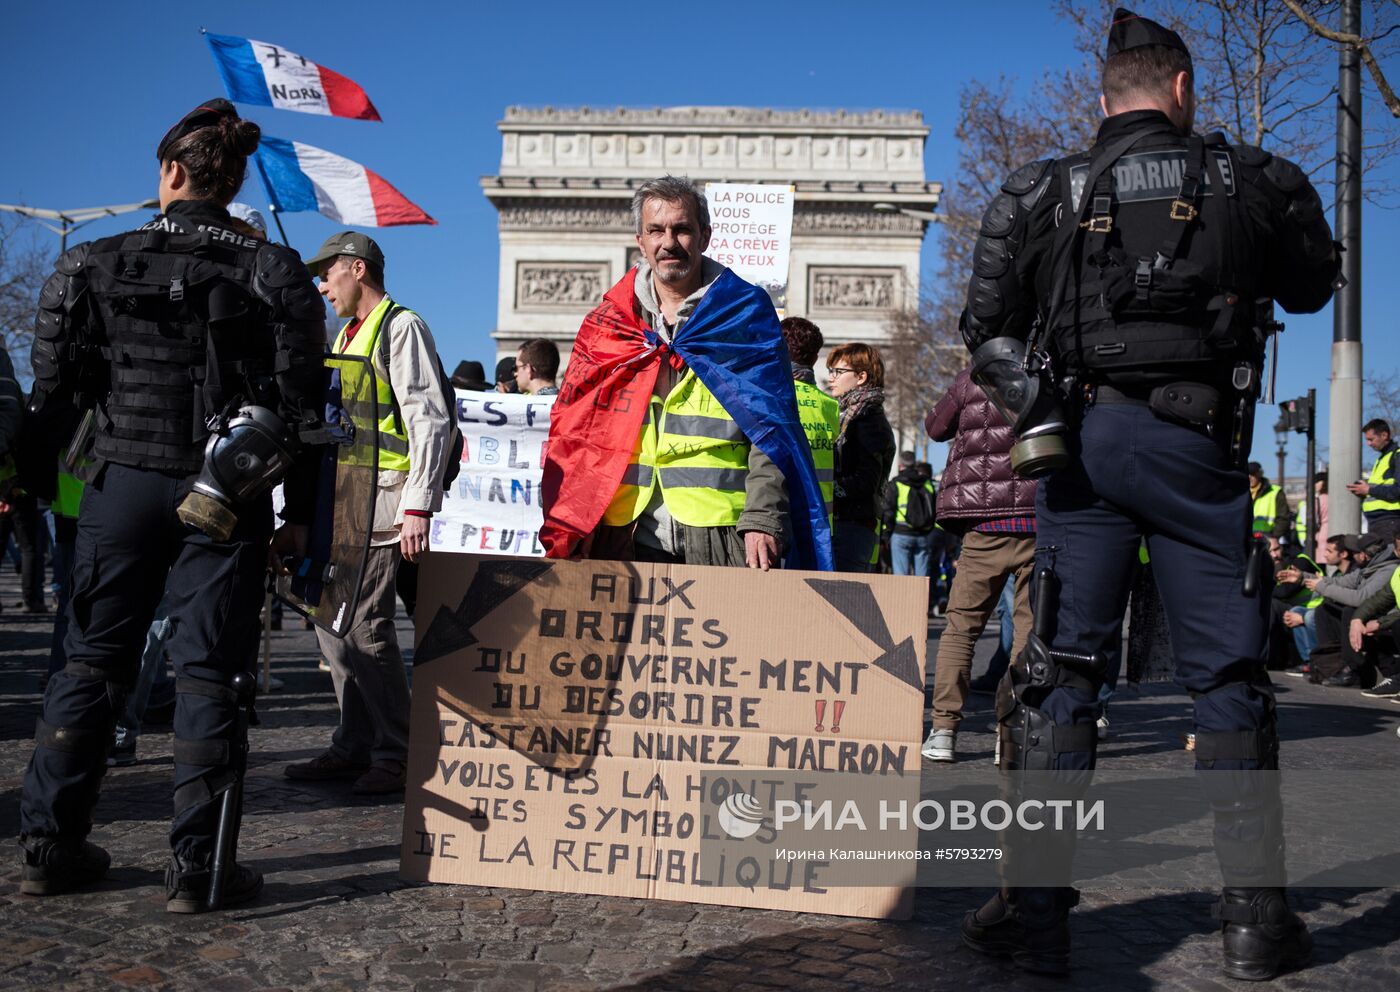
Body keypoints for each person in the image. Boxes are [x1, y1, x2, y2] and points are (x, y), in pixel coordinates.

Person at [958, 9, 1338, 978]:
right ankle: (1254, 923)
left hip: (1079, 447)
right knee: (1225, 676)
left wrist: (1036, 405)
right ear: (1181, 90)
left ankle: (1034, 917)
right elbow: (1310, 286)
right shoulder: (1246, 179)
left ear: (1101, 99)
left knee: (1060, 672)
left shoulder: (1038, 188)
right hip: (1195, 445)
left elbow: (983, 328)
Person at [17, 99, 326, 910]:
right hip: (222, 493)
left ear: (170, 173)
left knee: (89, 660)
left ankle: (50, 843)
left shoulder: (92, 260)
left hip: (116, 483)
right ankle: (196, 869)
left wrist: (59, 482)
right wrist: (297, 510)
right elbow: (303, 413)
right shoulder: (273, 269)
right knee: (208, 673)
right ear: (229, 179)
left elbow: (54, 396)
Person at [540, 175, 829, 572]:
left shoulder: (745, 315)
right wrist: (574, 518)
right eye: (655, 230)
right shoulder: (608, 324)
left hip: (722, 533)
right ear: (640, 241)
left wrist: (763, 517)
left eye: (682, 229)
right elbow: (575, 429)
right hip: (623, 531)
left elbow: (773, 430)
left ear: (705, 236)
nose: (668, 242)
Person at [285, 232, 452, 795]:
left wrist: (418, 504)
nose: (321, 283)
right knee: (331, 625)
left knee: (365, 629)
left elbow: (429, 420)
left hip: (385, 504)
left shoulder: (400, 326)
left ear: (357, 269)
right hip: (343, 505)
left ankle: (398, 751)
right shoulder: (348, 335)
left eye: (328, 272)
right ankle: (353, 743)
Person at [923, 367, 1038, 762]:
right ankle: (1014, 731)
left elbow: (936, 428)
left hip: (984, 523)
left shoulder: (972, 377)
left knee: (960, 629)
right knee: (1028, 632)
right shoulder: (1050, 371)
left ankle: (943, 730)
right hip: (1038, 519)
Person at [826, 343, 895, 572]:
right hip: (847, 523)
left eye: (838, 371)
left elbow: (867, 481)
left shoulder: (867, 419)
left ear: (861, 377)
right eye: (830, 371)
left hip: (852, 526)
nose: (831, 378)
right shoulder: (853, 415)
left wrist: (826, 487)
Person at [1302, 532, 1397, 687]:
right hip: (1378, 616)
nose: (1352, 556)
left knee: (1350, 612)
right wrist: (1301, 577)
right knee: (1325, 610)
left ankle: (1356, 670)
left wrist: (1322, 587)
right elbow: (1340, 582)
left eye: (1355, 553)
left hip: (1389, 620)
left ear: (1364, 555)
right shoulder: (1368, 567)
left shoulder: (1388, 570)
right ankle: (1333, 664)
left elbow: (1361, 598)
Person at [781, 316, 839, 527]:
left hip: (777, 517)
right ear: (815, 359)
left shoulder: (768, 400)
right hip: (819, 523)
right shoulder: (830, 406)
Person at [883, 451, 938, 579]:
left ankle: (903, 599)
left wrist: (886, 536)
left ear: (900, 465)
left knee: (902, 579)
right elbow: (935, 509)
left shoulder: (896, 483)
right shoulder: (927, 483)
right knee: (922, 580)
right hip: (923, 536)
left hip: (901, 534)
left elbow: (888, 511)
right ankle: (921, 599)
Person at [1345, 420, 1400, 544]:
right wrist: (1364, 493)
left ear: (1384, 435)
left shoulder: (1396, 456)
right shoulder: (1382, 458)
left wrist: (1369, 490)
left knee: (1387, 561)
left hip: (1390, 521)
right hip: (1379, 522)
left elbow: (1397, 490)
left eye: (1371, 439)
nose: (1368, 444)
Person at [1248, 462, 1291, 544]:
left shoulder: (1275, 492)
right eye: (1247, 474)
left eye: (1252, 474)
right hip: (1247, 541)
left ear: (1259, 474)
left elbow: (1283, 518)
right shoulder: (1241, 493)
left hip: (1268, 542)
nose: (1249, 477)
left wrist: (1273, 537)